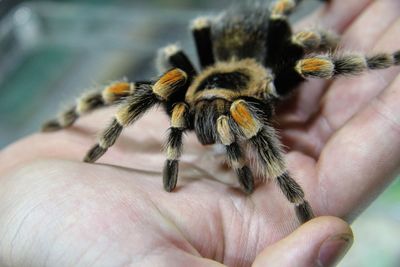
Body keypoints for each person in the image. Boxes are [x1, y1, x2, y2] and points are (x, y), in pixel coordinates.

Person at [0, 0, 399, 266]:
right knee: (148, 80)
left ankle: (386, 58)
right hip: (211, 77)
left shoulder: (260, 89)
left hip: (252, 70)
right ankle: (82, 129)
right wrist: (105, 140)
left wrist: (291, 193)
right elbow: (157, 76)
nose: (206, 125)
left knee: (301, 48)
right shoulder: (182, 93)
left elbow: (307, 45)